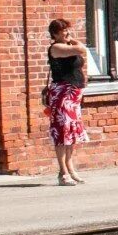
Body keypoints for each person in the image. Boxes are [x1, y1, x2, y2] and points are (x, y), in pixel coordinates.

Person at [43, 18, 90, 185]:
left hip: (73, 96)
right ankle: (63, 173)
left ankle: (70, 168)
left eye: (68, 29)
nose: (67, 32)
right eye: (63, 30)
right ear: (55, 34)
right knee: (62, 133)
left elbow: (80, 53)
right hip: (62, 96)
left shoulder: (68, 46)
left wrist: (70, 39)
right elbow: (82, 49)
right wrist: (72, 41)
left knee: (71, 133)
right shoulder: (56, 48)